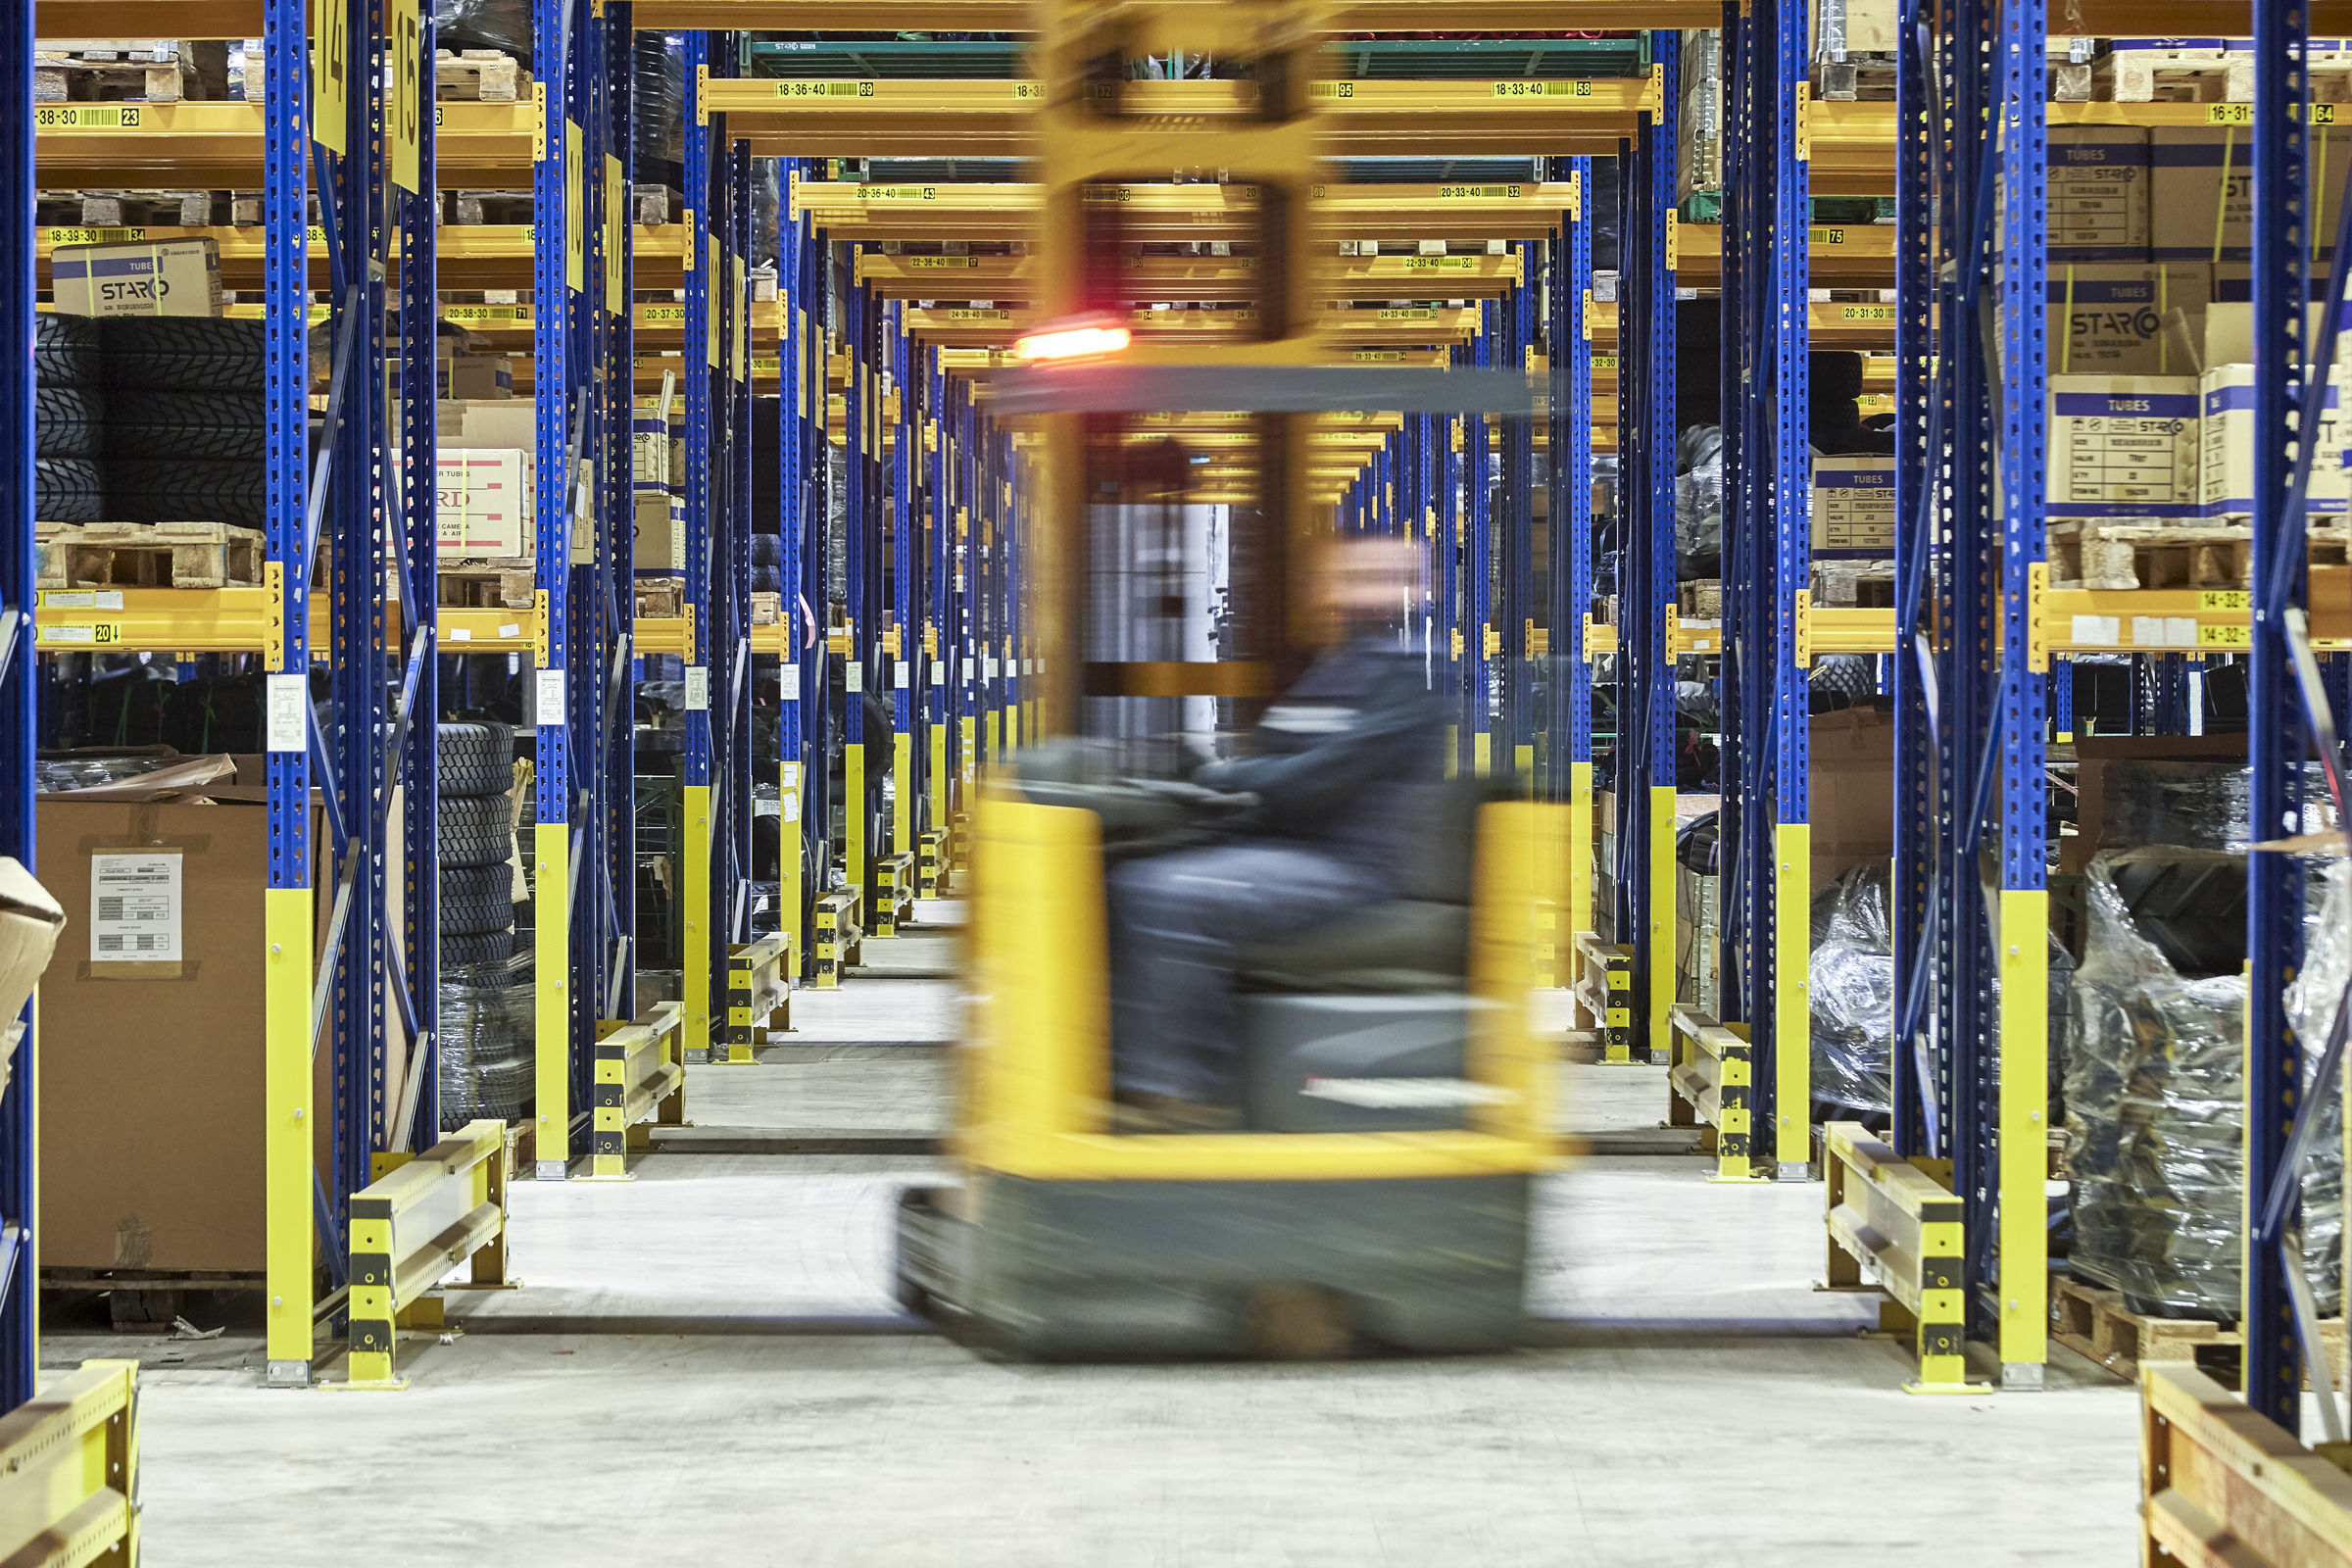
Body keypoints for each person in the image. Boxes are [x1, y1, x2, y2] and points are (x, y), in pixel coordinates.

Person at [1106, 535, 1445, 1125]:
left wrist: (1224, 773)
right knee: (1129, 876)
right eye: (1355, 576)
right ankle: (1134, 1075)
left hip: (1347, 870)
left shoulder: (1402, 676)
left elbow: (1321, 777)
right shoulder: (1334, 668)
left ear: (1418, 589)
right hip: (1298, 849)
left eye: (1388, 577)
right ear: (1329, 586)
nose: (1369, 591)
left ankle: (1188, 1094)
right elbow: (1286, 764)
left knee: (1166, 896)